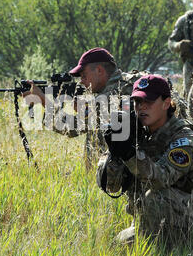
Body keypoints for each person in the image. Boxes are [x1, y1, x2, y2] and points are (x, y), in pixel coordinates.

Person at [96, 74, 193, 246]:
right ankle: (154, 244)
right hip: (153, 220)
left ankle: (170, 247)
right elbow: (111, 186)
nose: (141, 107)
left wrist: (129, 154)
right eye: (137, 102)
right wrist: (115, 154)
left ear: (166, 103)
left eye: (148, 102)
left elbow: (160, 179)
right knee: (115, 245)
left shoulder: (186, 139)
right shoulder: (138, 134)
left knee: (153, 197)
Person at [23, 47, 174, 169]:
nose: (81, 82)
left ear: (100, 71)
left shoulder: (112, 94)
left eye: (84, 75)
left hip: (128, 173)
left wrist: (43, 101)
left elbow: (71, 127)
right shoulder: (127, 84)